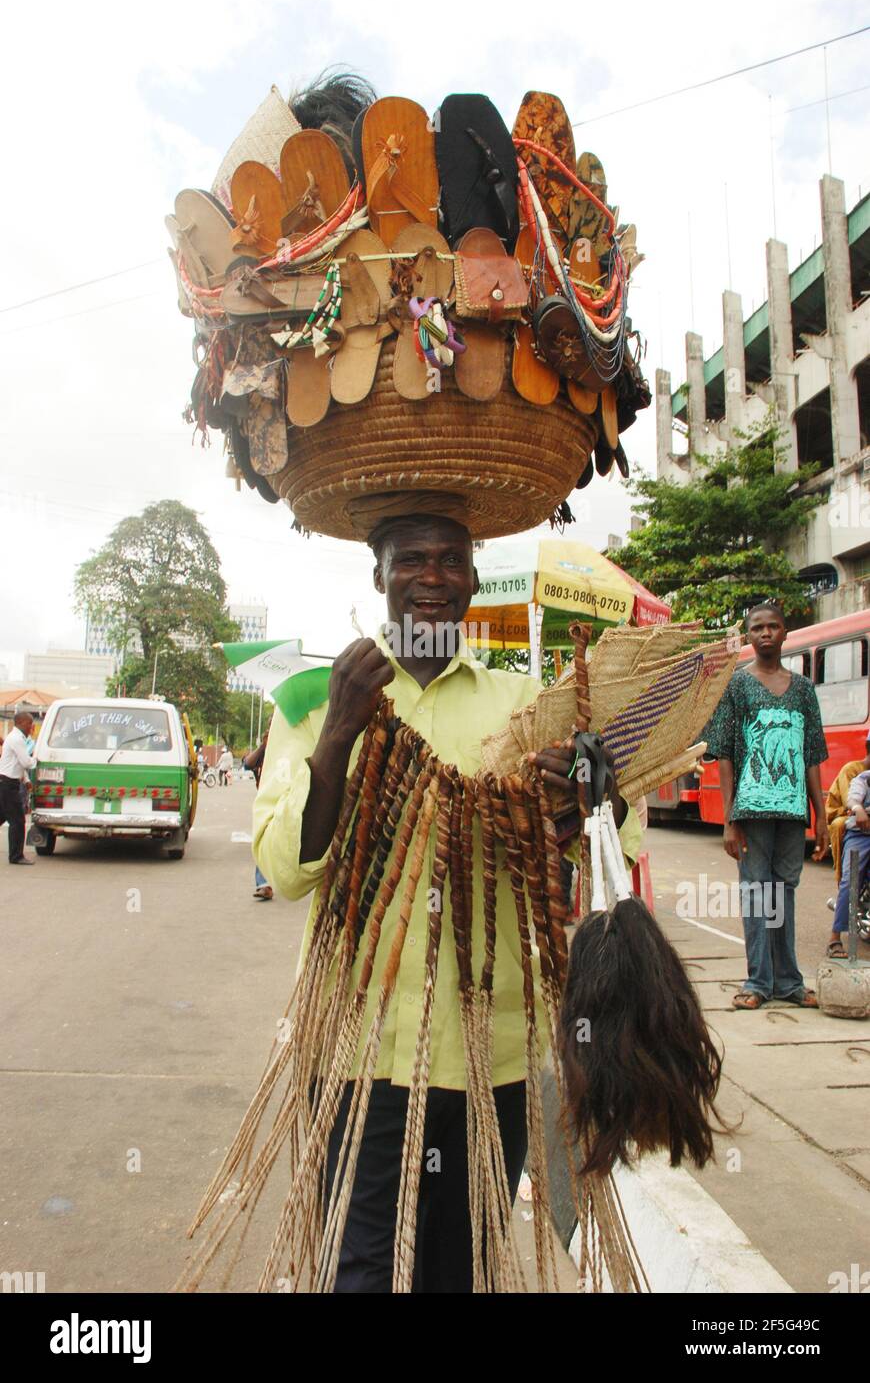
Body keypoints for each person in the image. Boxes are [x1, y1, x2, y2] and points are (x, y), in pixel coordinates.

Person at [254, 514, 642, 1292]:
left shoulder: (529, 702)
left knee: (459, 1270)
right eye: (411, 560)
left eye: (450, 561)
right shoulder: (310, 698)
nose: (431, 578)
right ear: (379, 578)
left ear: (472, 578)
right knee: (359, 1271)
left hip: (487, 1052)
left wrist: (593, 796)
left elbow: (604, 848)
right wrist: (338, 731)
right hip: (358, 1049)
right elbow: (285, 869)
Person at [705, 601, 829, 1010]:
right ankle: (758, 981)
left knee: (783, 892)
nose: (765, 634)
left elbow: (812, 756)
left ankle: (789, 982)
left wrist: (822, 817)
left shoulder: (804, 691)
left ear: (785, 633)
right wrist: (729, 819)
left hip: (793, 814)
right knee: (757, 892)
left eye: (773, 626)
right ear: (748, 634)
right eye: (757, 627)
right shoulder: (737, 686)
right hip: (751, 812)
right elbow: (723, 755)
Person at [828, 761, 870, 958]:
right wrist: (858, 809)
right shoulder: (863, 778)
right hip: (861, 834)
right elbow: (852, 799)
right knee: (850, 880)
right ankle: (835, 939)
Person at [0, 711, 38, 865]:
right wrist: (38, 757)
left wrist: (27, 780)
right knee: (17, 821)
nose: (31, 727)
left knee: (3, 816)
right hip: (8, 784)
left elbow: (18, 764)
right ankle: (16, 856)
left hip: (7, 782)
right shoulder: (17, 739)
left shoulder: (17, 738)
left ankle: (16, 854)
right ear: (21, 723)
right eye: (30, 723)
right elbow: (26, 762)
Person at [242, 730, 272, 901]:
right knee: (262, 841)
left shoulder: (285, 751)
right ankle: (264, 884)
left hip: (284, 800)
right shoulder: (261, 755)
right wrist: (264, 746)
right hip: (265, 803)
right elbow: (247, 764)